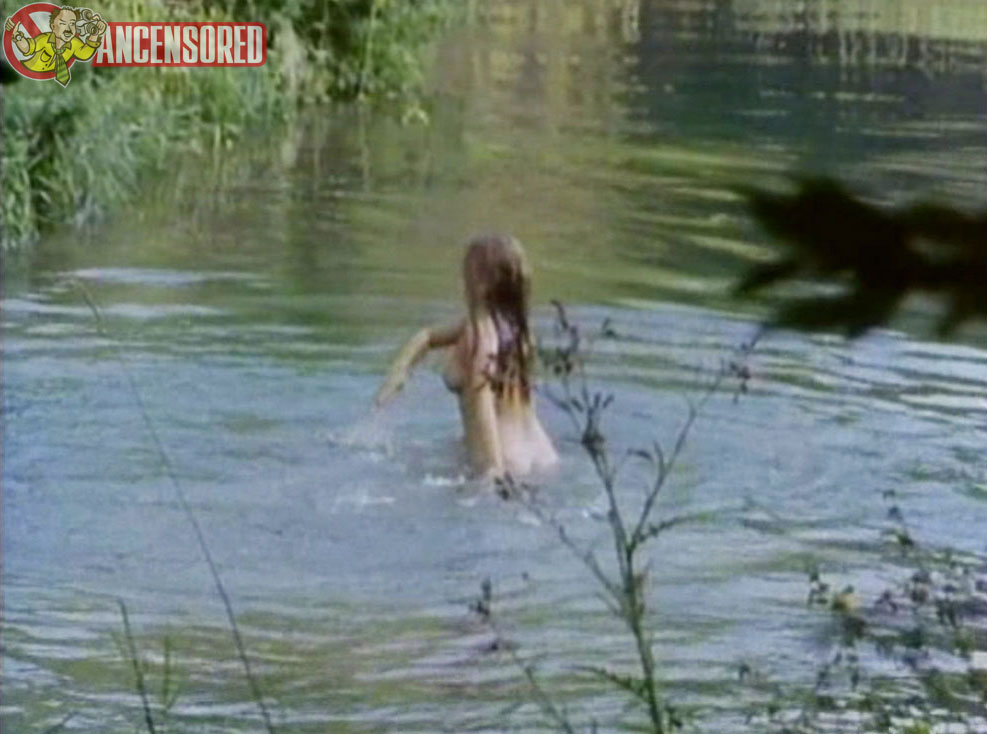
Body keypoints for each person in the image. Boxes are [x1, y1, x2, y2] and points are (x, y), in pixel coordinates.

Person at [375, 234, 558, 479]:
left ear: (479, 283)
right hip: (542, 454)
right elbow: (428, 337)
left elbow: (483, 406)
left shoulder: (479, 339)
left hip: (505, 458)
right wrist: (399, 372)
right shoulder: (517, 332)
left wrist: (493, 473)